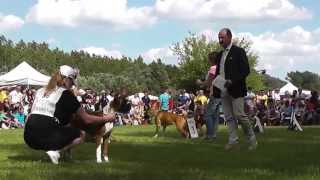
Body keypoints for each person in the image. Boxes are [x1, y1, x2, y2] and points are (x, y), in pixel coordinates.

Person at [24, 65, 115, 164]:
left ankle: (58, 153)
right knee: (81, 134)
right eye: (71, 81)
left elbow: (30, 116)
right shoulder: (66, 94)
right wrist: (106, 118)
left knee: (65, 124)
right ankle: (55, 152)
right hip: (46, 134)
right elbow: (86, 119)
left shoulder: (40, 91)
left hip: (28, 137)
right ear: (66, 79)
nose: (72, 85)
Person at [216, 28, 257, 150]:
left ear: (229, 37)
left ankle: (252, 139)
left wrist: (232, 80)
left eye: (222, 37)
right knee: (228, 117)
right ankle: (233, 141)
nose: (220, 40)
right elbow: (218, 72)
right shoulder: (220, 55)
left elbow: (245, 70)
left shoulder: (239, 52)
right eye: (219, 38)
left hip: (236, 89)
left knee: (239, 115)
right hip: (223, 89)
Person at [196, 52, 220, 140]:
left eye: (209, 59)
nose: (208, 61)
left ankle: (209, 135)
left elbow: (208, 83)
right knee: (215, 116)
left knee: (207, 115)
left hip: (215, 94)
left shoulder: (213, 68)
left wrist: (200, 83)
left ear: (212, 59)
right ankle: (213, 134)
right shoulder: (220, 68)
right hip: (220, 94)